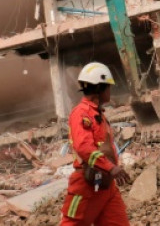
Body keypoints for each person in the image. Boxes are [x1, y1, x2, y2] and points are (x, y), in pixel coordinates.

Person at [59, 62, 131, 225]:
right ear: (99, 88)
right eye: (108, 87)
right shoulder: (81, 113)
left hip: (106, 186)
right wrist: (111, 167)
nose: (110, 91)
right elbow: (84, 148)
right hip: (87, 185)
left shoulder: (97, 113)